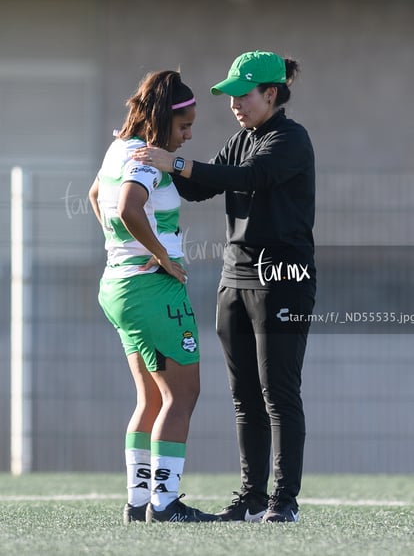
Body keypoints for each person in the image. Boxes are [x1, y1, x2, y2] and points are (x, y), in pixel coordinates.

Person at [133, 51, 316, 523]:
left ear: (270, 93)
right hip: (234, 278)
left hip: (282, 280)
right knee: (245, 397)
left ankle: (283, 502)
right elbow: (198, 186)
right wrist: (146, 161)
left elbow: (249, 177)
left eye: (242, 93)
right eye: (230, 95)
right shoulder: (241, 139)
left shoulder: (291, 139)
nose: (234, 102)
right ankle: (252, 497)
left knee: (279, 392)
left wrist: (176, 162)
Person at [88, 70, 220, 523]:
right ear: (162, 121)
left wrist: (120, 250)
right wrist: (162, 255)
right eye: (184, 128)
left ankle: (138, 501)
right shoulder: (147, 157)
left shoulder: (117, 149)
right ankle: (164, 506)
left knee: (150, 398)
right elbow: (127, 206)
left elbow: (95, 194)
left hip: (120, 284)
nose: (186, 137)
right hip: (150, 290)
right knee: (182, 397)